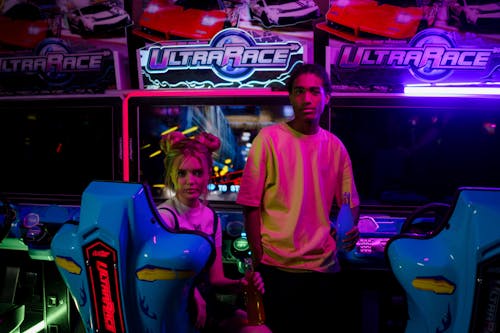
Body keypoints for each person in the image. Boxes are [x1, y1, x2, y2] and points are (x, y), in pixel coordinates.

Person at [236, 63, 361, 333]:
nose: (307, 99)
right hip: (277, 269)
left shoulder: (335, 146)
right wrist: (258, 262)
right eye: (299, 91)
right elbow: (250, 206)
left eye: (315, 92)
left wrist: (349, 229)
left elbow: (350, 201)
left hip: (324, 270)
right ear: (290, 96)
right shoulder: (268, 140)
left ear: (327, 96)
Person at [157, 131, 268, 333]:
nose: (190, 180)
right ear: (172, 175)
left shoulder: (210, 217)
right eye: (182, 173)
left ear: (209, 173)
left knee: (258, 328)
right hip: (173, 305)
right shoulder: (165, 217)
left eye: (197, 173)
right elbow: (157, 275)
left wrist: (242, 283)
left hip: (207, 303)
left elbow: (216, 278)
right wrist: (191, 294)